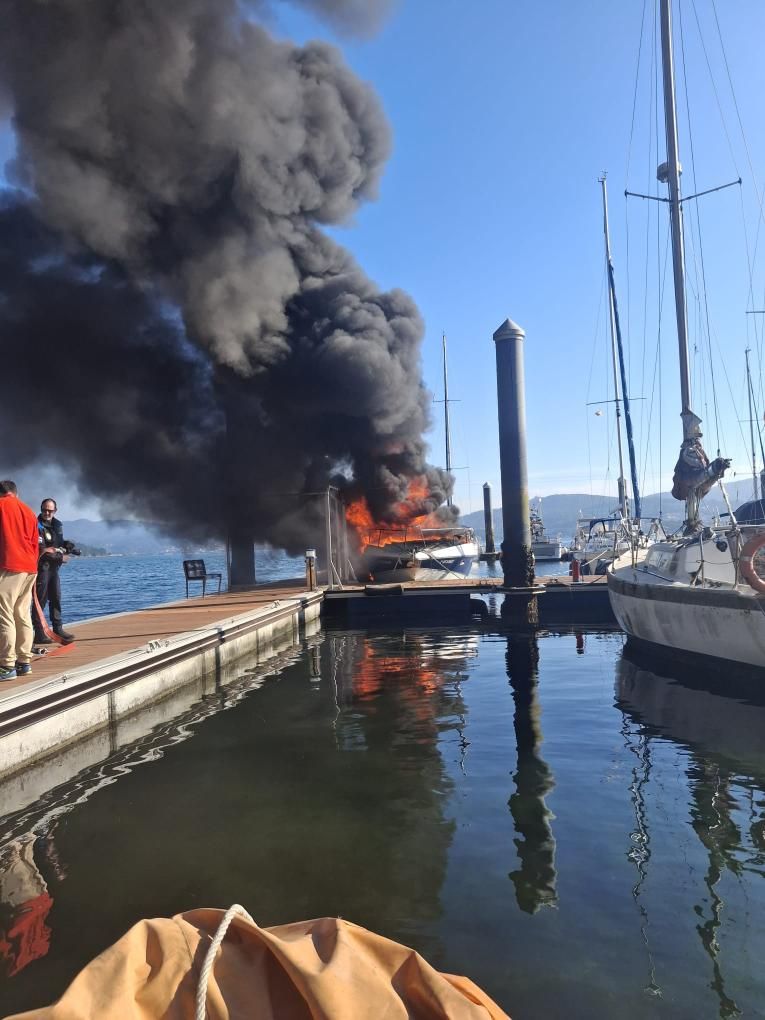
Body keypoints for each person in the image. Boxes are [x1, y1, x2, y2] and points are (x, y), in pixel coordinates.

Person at [0, 480, 39, 680]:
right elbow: (35, 542)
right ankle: (24, 662)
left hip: (9, 566)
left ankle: (6, 666)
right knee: (22, 614)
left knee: (3, 614)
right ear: (16, 492)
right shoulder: (29, 511)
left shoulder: (1, 506)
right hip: (30, 568)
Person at [33, 498, 75, 645]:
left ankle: (57, 628)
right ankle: (39, 633)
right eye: (44, 509)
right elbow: (42, 550)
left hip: (54, 569)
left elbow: (56, 543)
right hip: (42, 568)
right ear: (41, 509)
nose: (46, 512)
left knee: (56, 598)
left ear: (55, 511)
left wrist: (67, 544)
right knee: (41, 600)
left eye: (50, 510)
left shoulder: (57, 525)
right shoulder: (36, 525)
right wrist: (61, 557)